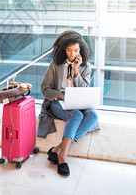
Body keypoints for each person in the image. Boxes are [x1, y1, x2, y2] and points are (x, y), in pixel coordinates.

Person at [38, 30, 99, 177]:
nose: (72, 54)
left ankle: (57, 148)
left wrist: (76, 71)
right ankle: (63, 156)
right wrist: (60, 96)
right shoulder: (55, 65)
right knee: (76, 115)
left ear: (81, 50)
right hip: (59, 100)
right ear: (64, 49)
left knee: (93, 116)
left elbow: (84, 89)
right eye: (69, 50)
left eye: (76, 50)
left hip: (78, 99)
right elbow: (45, 88)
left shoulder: (86, 67)